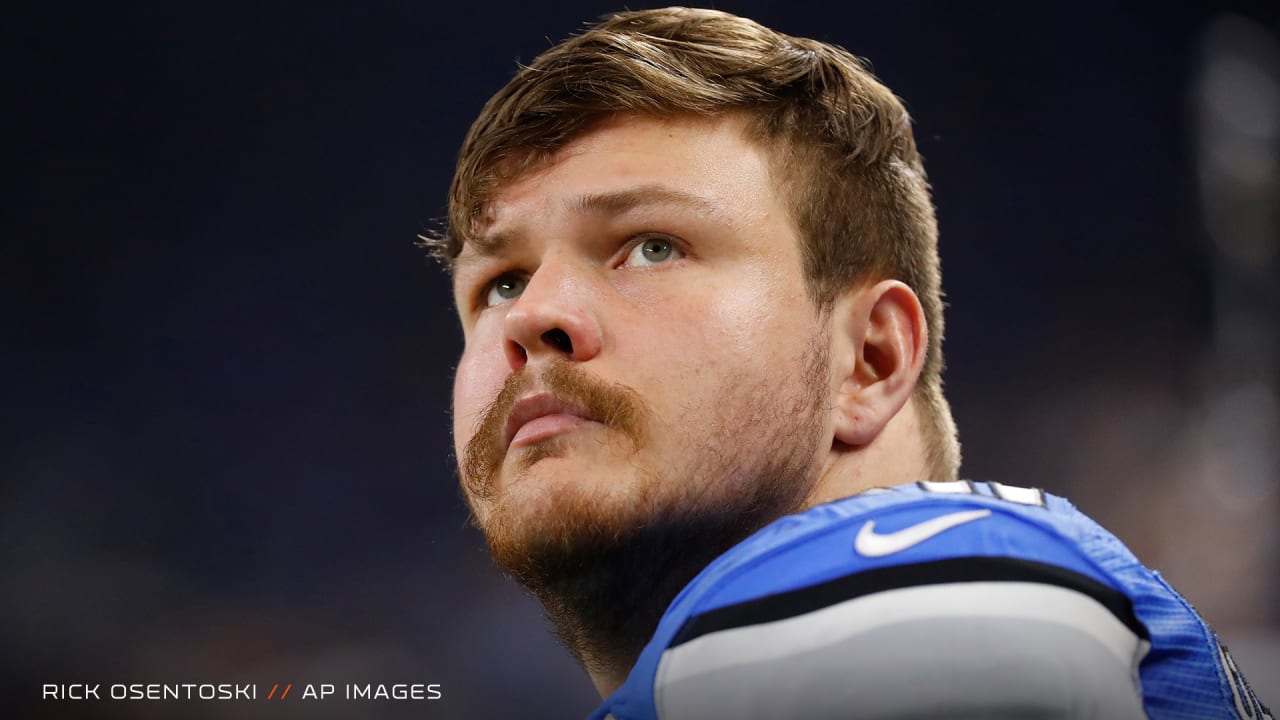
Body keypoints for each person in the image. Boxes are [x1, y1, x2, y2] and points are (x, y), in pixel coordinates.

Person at [425, 7, 1271, 718]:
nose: (532, 315)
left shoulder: (918, 577)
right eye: (499, 282)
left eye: (651, 246)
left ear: (869, 359)